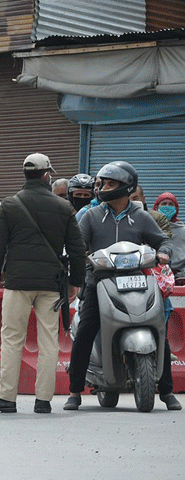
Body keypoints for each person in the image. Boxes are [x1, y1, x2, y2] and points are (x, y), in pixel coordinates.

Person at [64, 161, 181, 411]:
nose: (104, 188)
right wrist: (78, 257)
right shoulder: (92, 216)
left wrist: (164, 252)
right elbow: (77, 244)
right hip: (100, 281)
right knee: (86, 330)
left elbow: (163, 241)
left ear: (126, 187)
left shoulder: (141, 217)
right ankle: (74, 390)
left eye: (110, 183)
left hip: (137, 281)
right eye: (103, 183)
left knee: (157, 326)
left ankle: (167, 392)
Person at [0, 153, 85, 414]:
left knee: (12, 338)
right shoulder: (63, 207)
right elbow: (78, 250)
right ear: (47, 175)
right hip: (51, 283)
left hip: (17, 281)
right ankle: (43, 400)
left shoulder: (11, 205)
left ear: (25, 174)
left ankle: (6, 397)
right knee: (49, 340)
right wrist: (75, 282)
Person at [154, 192, 185, 278]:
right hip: (155, 273)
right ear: (156, 208)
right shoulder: (150, 227)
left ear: (176, 208)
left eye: (171, 204)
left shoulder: (182, 230)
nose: (167, 206)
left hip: (180, 276)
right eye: (164, 204)